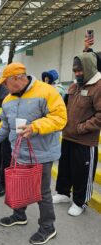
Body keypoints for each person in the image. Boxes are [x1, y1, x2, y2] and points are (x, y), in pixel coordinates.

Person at [0, 62, 67, 245]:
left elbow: (60, 118)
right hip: (19, 152)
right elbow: (4, 126)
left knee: (41, 192)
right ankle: (19, 215)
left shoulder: (46, 92)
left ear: (17, 78)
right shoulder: (8, 100)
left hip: (42, 153)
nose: (5, 87)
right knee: (18, 185)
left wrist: (36, 127)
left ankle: (48, 227)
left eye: (6, 83)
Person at [53, 52, 101, 216]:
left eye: (80, 70)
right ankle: (63, 193)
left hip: (85, 141)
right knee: (64, 168)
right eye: (75, 70)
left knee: (82, 173)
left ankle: (80, 202)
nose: (77, 73)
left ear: (89, 68)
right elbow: (64, 107)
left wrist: (82, 128)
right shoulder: (74, 86)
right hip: (67, 136)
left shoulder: (98, 86)